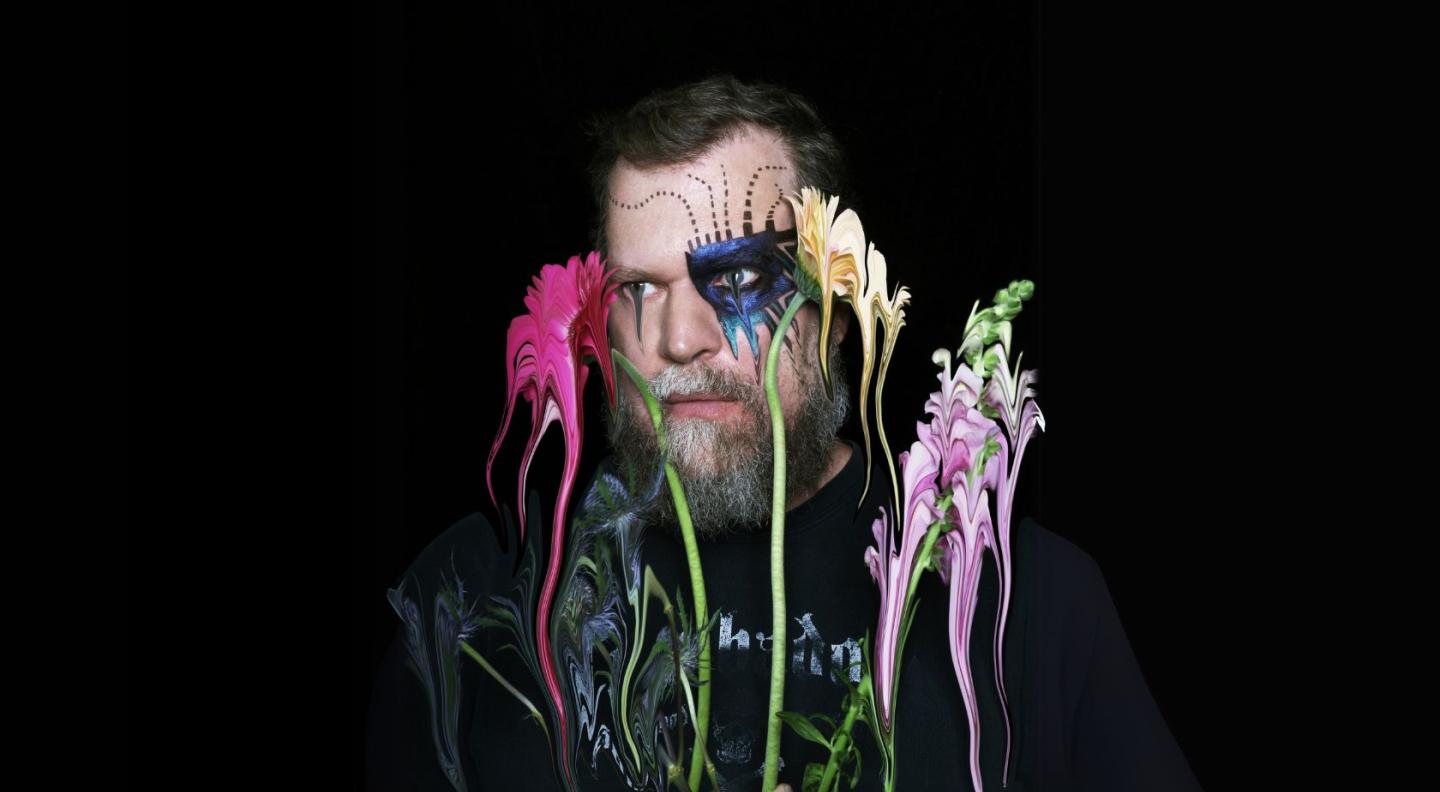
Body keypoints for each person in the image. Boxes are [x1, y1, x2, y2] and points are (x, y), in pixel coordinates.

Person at [365, 74, 1203, 792]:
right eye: (638, 290)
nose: (678, 340)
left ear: (837, 312)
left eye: (736, 278)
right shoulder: (470, 600)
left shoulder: (1025, 602)